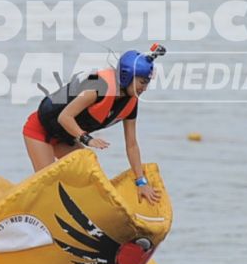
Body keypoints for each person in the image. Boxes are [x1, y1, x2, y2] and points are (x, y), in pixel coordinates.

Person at [23, 45, 164, 202]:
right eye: (142, 82)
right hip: (40, 131)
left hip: (65, 139)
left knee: (90, 180)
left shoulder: (131, 102)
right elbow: (64, 117)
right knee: (48, 187)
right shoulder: (98, 86)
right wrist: (87, 139)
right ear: (127, 76)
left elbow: (131, 144)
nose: (145, 88)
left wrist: (141, 182)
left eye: (147, 83)